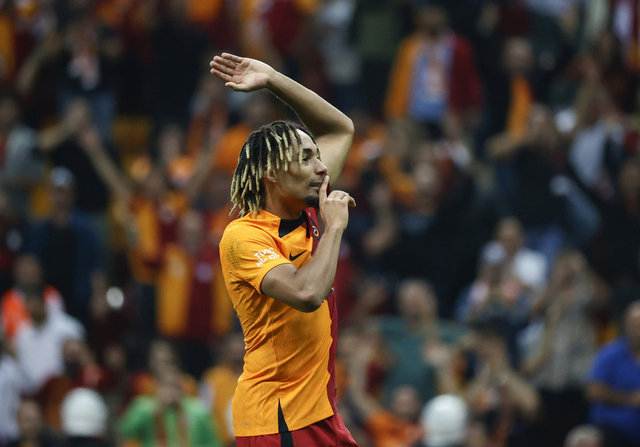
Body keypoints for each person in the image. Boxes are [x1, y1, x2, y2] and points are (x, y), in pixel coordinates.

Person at [211, 52, 357, 445]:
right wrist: (335, 227)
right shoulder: (243, 237)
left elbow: (340, 129)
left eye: (318, 157)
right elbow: (306, 293)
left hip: (316, 411)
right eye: (306, 158)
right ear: (272, 173)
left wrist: (274, 79)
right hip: (278, 419)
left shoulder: (306, 203)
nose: (322, 168)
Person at [586, 300, 640, 447]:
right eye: (635, 323)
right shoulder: (610, 353)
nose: (638, 328)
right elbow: (593, 391)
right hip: (612, 431)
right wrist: (631, 399)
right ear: (625, 325)